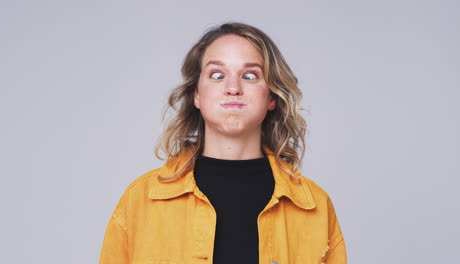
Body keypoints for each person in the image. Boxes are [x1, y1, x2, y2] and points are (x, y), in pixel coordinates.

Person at [99, 23, 347, 264]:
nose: (233, 88)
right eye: (217, 75)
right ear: (196, 94)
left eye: (250, 76)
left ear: (271, 95)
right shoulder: (141, 201)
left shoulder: (314, 206)